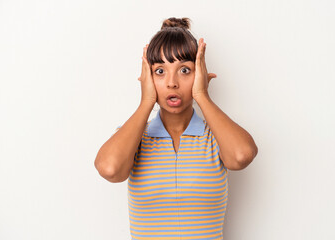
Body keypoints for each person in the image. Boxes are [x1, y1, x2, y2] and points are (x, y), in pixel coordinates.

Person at [95, 17, 258, 240]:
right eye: (160, 71)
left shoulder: (216, 136)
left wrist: (202, 96)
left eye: (184, 70)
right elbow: (110, 169)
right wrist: (146, 102)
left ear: (199, 75)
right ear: (147, 78)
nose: (172, 83)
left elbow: (242, 156)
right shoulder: (134, 137)